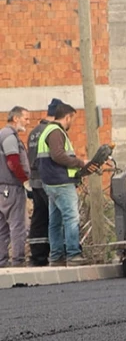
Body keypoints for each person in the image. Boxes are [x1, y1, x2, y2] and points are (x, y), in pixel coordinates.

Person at [36, 100, 100, 266]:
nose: (72, 122)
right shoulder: (56, 131)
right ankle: (73, 254)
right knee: (71, 218)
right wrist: (80, 163)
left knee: (55, 222)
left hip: (50, 182)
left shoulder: (47, 130)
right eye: (73, 118)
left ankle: (56, 257)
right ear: (68, 116)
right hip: (61, 182)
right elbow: (58, 155)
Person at [1, 106, 30, 267]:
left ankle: (2, 261)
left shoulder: (1, 134)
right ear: (16, 118)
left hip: (2, 188)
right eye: (26, 118)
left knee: (2, 228)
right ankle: (18, 261)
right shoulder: (10, 136)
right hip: (12, 187)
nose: (27, 122)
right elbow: (13, 161)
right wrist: (24, 180)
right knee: (18, 225)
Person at [25, 112, 51, 265]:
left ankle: (37, 255)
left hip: (35, 180)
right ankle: (59, 253)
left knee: (39, 217)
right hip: (48, 180)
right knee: (56, 217)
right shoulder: (51, 131)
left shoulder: (33, 132)